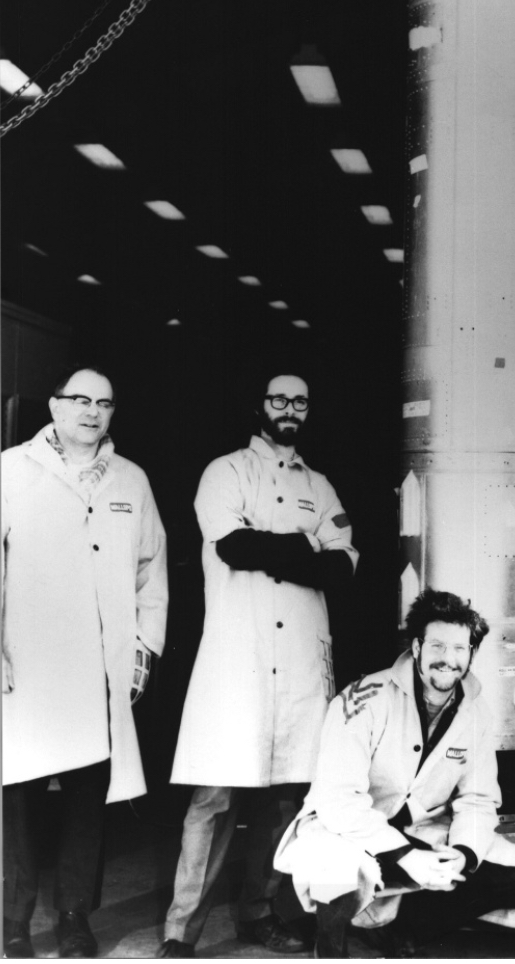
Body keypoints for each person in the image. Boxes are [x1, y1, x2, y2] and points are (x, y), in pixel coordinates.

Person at [158, 370, 358, 959]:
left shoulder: (319, 485)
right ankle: (180, 930)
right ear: (260, 406)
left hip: (298, 662)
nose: (289, 408)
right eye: (279, 399)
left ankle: (258, 913)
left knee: (283, 802)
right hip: (237, 663)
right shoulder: (224, 472)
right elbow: (231, 545)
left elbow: (343, 566)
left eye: (299, 400)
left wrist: (279, 548)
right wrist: (302, 548)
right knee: (213, 800)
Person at [273, 588, 515, 958]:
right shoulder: (363, 698)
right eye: (437, 646)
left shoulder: (476, 712)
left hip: (420, 832)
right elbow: (338, 800)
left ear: (472, 653)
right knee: (337, 867)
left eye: (460, 649)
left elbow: (478, 798)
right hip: (347, 831)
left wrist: (462, 853)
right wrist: (407, 856)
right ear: (416, 648)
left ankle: (400, 933)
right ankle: (329, 946)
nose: (448, 659)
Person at [2, 365, 169, 959]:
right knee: (14, 795)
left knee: (85, 796)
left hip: (101, 667)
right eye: (79, 400)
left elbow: (153, 572)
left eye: (104, 402)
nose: (92, 411)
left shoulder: (131, 480)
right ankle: (13, 923)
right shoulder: (8, 473)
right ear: (54, 406)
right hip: (26, 667)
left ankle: (74, 917)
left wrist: (145, 651)